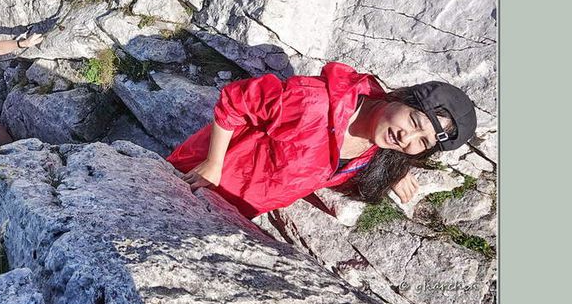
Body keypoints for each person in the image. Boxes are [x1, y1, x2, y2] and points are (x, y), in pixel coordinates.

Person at [167, 61, 477, 219]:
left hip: (239, 209)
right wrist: (214, 162)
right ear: (401, 97)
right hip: (195, 180)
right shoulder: (312, 102)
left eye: (422, 142)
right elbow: (236, 100)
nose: (406, 138)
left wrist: (396, 170)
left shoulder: (377, 151)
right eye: (414, 122)